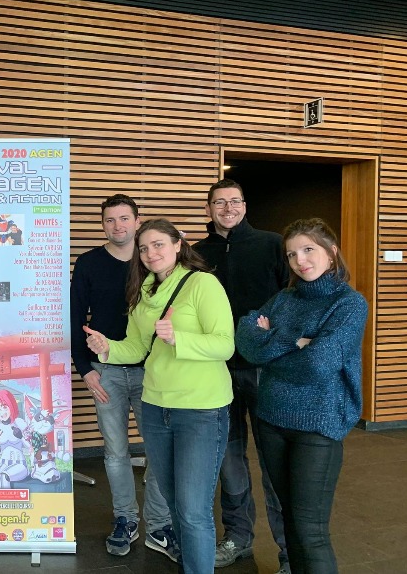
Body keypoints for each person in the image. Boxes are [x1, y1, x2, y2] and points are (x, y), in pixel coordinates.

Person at [84, 217, 234, 574]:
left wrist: (179, 338)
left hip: (200, 409)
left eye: (158, 244)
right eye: (144, 248)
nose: (151, 253)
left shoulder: (202, 283)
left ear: (178, 245)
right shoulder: (144, 293)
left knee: (193, 510)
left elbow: (225, 345)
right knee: (174, 503)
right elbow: (137, 348)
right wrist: (107, 348)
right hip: (156, 408)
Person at [236, 218, 367, 574]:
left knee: (311, 531)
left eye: (308, 250)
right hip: (272, 419)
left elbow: (319, 364)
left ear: (331, 252)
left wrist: (271, 348)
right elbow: (246, 341)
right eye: (292, 254)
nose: (300, 260)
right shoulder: (284, 298)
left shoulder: (349, 304)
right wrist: (294, 341)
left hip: (318, 426)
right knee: (291, 522)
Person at [69, 194, 178, 560]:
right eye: (110, 220)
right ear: (103, 224)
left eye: (124, 218)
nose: (118, 226)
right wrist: (85, 369)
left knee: (158, 451)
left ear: (137, 220)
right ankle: (125, 520)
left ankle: (159, 525)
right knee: (115, 451)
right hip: (106, 371)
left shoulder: (153, 261)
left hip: (153, 369)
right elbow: (75, 317)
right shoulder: (89, 263)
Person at [192, 179, 291, 573]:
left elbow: (291, 299)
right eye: (219, 202)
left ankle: (289, 551)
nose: (228, 208)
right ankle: (238, 537)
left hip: (265, 370)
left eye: (234, 201)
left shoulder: (272, 244)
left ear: (245, 206)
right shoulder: (197, 254)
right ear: (209, 209)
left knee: (274, 461)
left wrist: (278, 341)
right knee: (228, 460)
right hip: (217, 372)